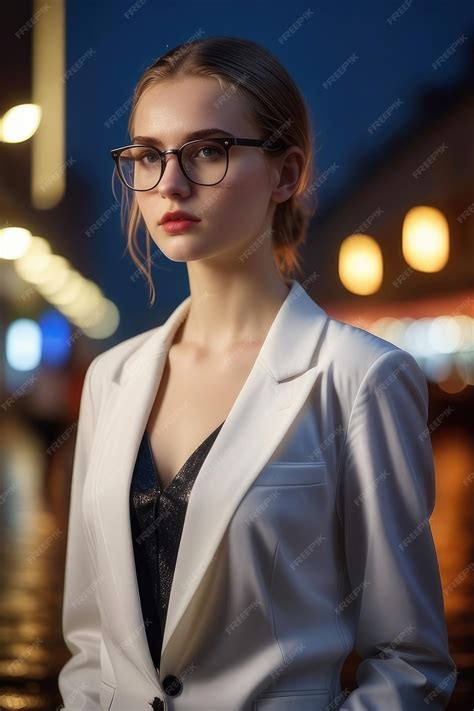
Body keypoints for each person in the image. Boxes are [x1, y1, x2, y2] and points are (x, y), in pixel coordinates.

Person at [58, 36, 456, 710]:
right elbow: (91, 646)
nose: (170, 183)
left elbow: (410, 663)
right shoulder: (111, 377)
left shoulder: (360, 377)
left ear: (285, 172)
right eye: (149, 155)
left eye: (207, 150)